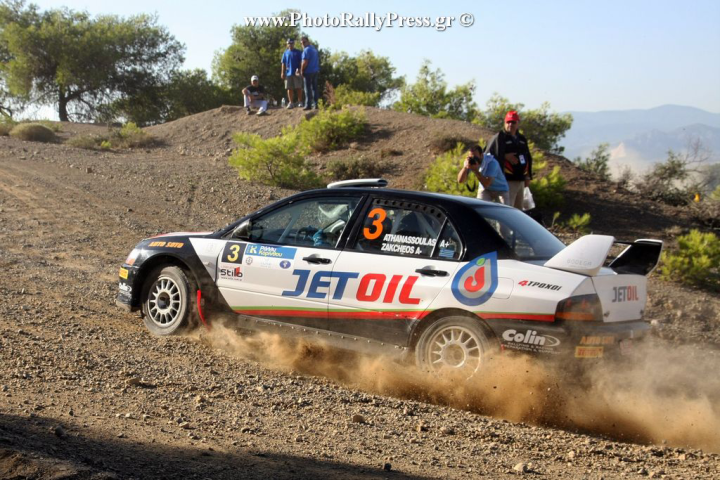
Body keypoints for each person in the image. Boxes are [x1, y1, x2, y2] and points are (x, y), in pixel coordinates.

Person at [485, 111, 533, 209]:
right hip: (507, 181)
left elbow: (527, 157)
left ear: (518, 123)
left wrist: (528, 176)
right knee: (507, 209)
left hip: (521, 180)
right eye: (508, 122)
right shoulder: (499, 137)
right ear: (504, 122)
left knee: (519, 211)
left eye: (513, 122)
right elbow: (487, 155)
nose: (510, 124)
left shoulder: (522, 139)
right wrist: (504, 156)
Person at [281, 38, 303, 109]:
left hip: (297, 72)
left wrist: (300, 70)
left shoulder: (298, 52)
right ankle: (291, 102)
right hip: (288, 73)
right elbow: (283, 63)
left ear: (294, 44)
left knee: (298, 87)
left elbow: (301, 62)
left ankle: (300, 102)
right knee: (289, 88)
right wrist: (282, 72)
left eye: (291, 43)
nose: (290, 44)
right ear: (287, 44)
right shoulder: (285, 53)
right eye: (289, 43)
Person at [300, 35, 320, 110]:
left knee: (307, 89)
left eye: (304, 42)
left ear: (308, 41)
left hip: (308, 71)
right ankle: (316, 104)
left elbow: (305, 62)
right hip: (315, 70)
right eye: (301, 43)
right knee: (314, 88)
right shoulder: (314, 49)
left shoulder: (306, 50)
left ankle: (308, 105)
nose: (303, 44)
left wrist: (302, 70)